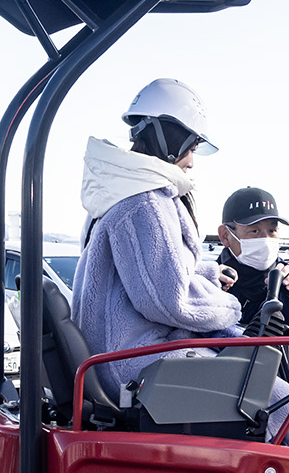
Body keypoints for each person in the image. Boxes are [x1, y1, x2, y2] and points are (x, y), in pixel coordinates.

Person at [71, 78, 244, 398]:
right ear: (171, 139)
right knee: (270, 395)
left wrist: (208, 273)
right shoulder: (144, 202)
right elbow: (168, 300)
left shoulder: (118, 190)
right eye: (191, 148)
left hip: (116, 353)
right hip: (132, 361)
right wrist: (230, 308)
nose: (192, 161)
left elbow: (139, 275)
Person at [215, 186, 289, 335]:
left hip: (275, 358)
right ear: (225, 235)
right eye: (254, 231)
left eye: (272, 231)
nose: (265, 240)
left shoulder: (286, 277)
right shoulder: (211, 278)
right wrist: (210, 287)